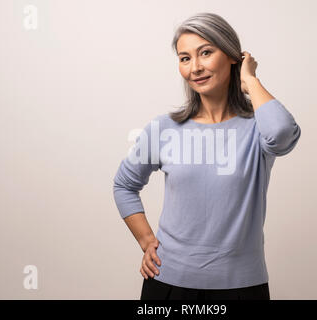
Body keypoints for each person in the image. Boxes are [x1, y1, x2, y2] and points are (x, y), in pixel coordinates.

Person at [113, 12, 301, 300]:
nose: (195, 67)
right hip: (168, 283)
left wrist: (249, 78)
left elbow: (283, 133)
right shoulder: (165, 128)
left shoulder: (257, 127)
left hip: (242, 286)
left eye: (206, 52)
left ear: (231, 56)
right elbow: (124, 185)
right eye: (185, 58)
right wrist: (147, 240)